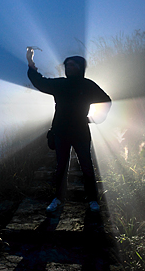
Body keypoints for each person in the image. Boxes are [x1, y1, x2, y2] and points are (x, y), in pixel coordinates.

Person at [26, 47, 112, 213]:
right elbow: (40, 82)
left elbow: (106, 100)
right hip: (60, 132)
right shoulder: (60, 84)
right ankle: (58, 198)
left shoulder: (88, 86)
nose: (68, 68)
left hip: (80, 132)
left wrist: (95, 119)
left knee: (87, 166)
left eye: (72, 65)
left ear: (80, 68)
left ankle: (92, 200)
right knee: (61, 167)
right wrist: (31, 63)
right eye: (67, 65)